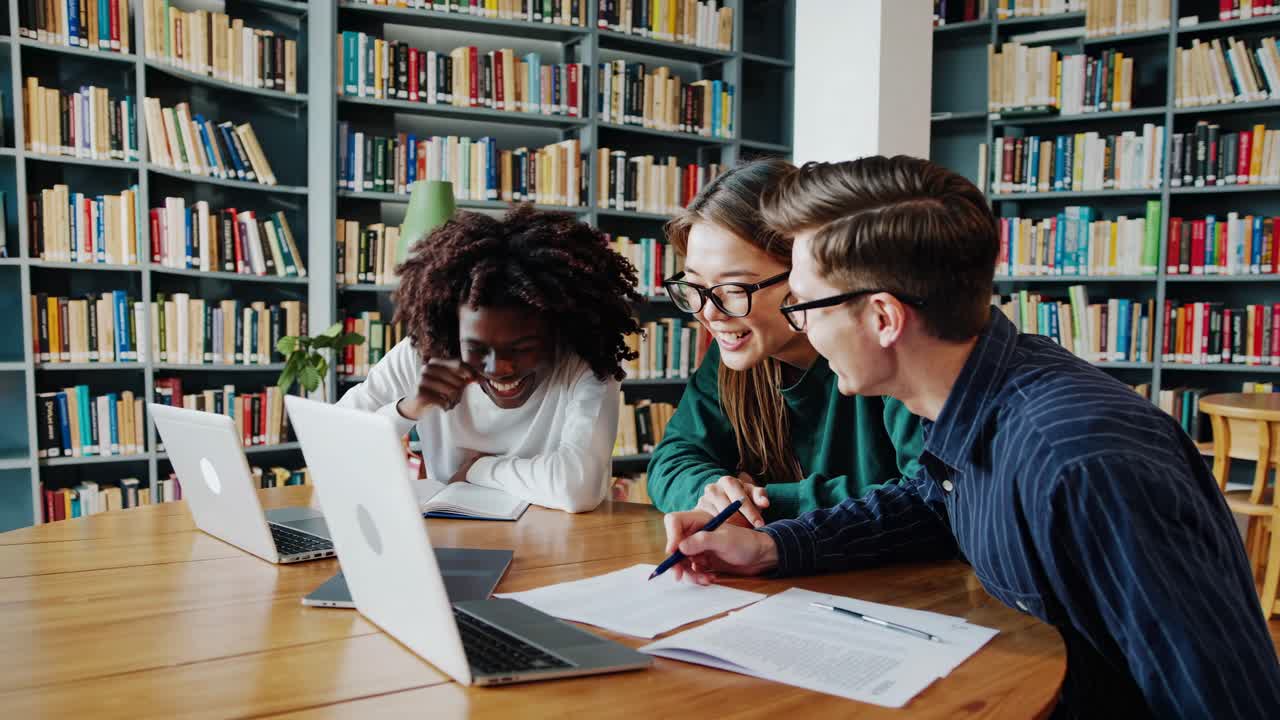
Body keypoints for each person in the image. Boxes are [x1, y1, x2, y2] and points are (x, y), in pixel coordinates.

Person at [661, 156, 1280, 717]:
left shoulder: (1081, 460)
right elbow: (933, 500)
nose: (804, 330)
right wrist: (772, 549)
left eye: (807, 306)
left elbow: (1223, 698)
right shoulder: (973, 406)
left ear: (883, 317)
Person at [646, 158, 924, 528]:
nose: (710, 314)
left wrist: (765, 502)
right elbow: (672, 459)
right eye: (695, 287)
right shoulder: (735, 353)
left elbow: (927, 495)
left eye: (733, 289)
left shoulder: (882, 349)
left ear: (806, 273)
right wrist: (713, 490)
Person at [339, 205, 641, 513]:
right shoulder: (424, 354)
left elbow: (577, 487)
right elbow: (334, 445)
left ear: (559, 331)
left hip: (563, 545)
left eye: (522, 347)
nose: (500, 368)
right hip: (454, 539)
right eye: (478, 348)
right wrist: (409, 408)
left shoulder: (589, 362)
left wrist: (477, 469)